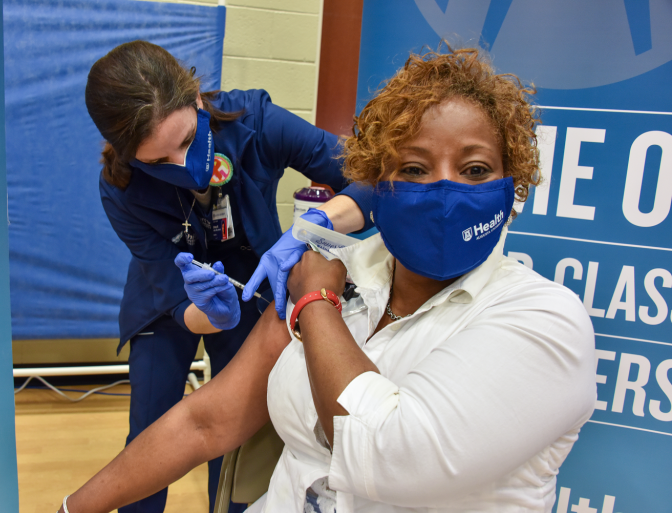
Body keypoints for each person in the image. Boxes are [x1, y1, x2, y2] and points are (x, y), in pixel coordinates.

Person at [65, 46, 596, 513]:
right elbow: (205, 421)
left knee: (236, 455)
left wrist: (316, 268)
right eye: (412, 169)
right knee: (151, 418)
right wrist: (70, 508)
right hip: (177, 303)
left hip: (267, 283)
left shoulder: (539, 317)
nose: (442, 192)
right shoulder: (122, 190)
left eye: (475, 169)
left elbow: (387, 455)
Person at [84, 41, 369, 513]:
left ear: (196, 99)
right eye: (157, 162)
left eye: (186, 140)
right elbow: (170, 289)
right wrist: (206, 313)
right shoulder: (121, 190)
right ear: (127, 154)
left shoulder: (255, 123)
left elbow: (368, 177)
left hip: (258, 280)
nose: (182, 166)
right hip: (170, 297)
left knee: (239, 431)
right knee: (151, 434)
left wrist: (319, 225)